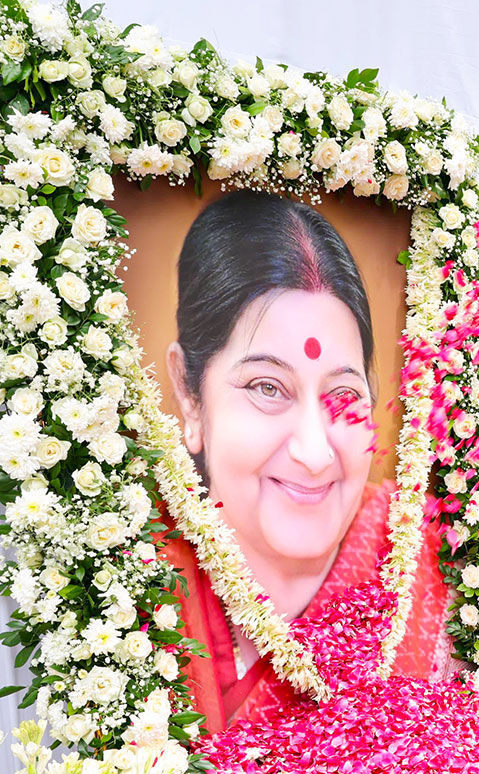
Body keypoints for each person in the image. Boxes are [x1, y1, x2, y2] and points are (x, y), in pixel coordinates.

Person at [160, 191, 452, 734]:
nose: (315, 454)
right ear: (189, 392)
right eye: (267, 387)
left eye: (343, 394)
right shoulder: (124, 587)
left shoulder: (436, 558)